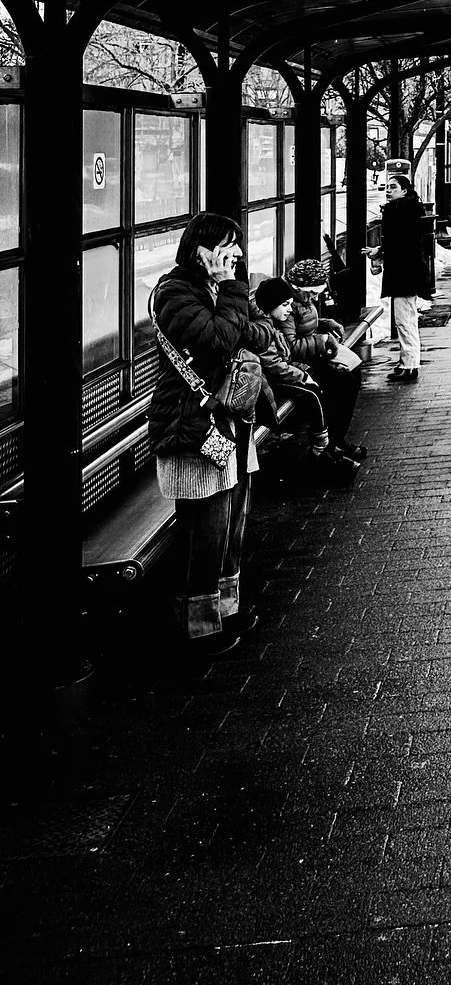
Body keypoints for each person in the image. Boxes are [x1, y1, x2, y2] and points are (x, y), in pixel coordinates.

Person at [148, 212, 274, 655]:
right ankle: (198, 630)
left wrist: (233, 311)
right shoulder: (175, 291)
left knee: (232, 523)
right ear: (200, 250)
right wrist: (233, 295)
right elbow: (218, 340)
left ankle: (227, 609)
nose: (235, 254)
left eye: (237, 246)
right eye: (226, 245)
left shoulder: (222, 289)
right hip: (193, 426)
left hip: (232, 423)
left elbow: (264, 332)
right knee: (206, 527)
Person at [251, 277, 358, 485]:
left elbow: (282, 358)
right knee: (312, 394)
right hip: (272, 383)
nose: (289, 309)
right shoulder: (263, 329)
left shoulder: (271, 322)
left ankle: (328, 446)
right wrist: (303, 374)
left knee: (334, 380)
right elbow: (275, 364)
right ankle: (322, 449)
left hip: (283, 373)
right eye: (285, 305)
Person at [286, 258, 366, 458]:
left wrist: (325, 324)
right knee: (339, 380)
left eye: (317, 293)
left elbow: (305, 326)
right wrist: (321, 340)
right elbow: (290, 346)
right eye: (311, 292)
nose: (313, 298)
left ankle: (337, 439)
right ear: (298, 287)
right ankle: (331, 444)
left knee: (351, 375)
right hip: (297, 363)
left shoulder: (302, 299)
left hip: (310, 357)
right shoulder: (287, 304)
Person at [374, 172, 429, 383]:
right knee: (405, 319)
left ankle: (410, 364)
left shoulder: (398, 212)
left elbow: (398, 244)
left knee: (404, 321)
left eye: (393, 187)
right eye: (388, 187)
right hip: (407, 272)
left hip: (403, 274)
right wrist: (380, 251)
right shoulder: (407, 211)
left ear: (404, 191)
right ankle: (406, 361)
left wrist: (380, 252)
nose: (388, 190)